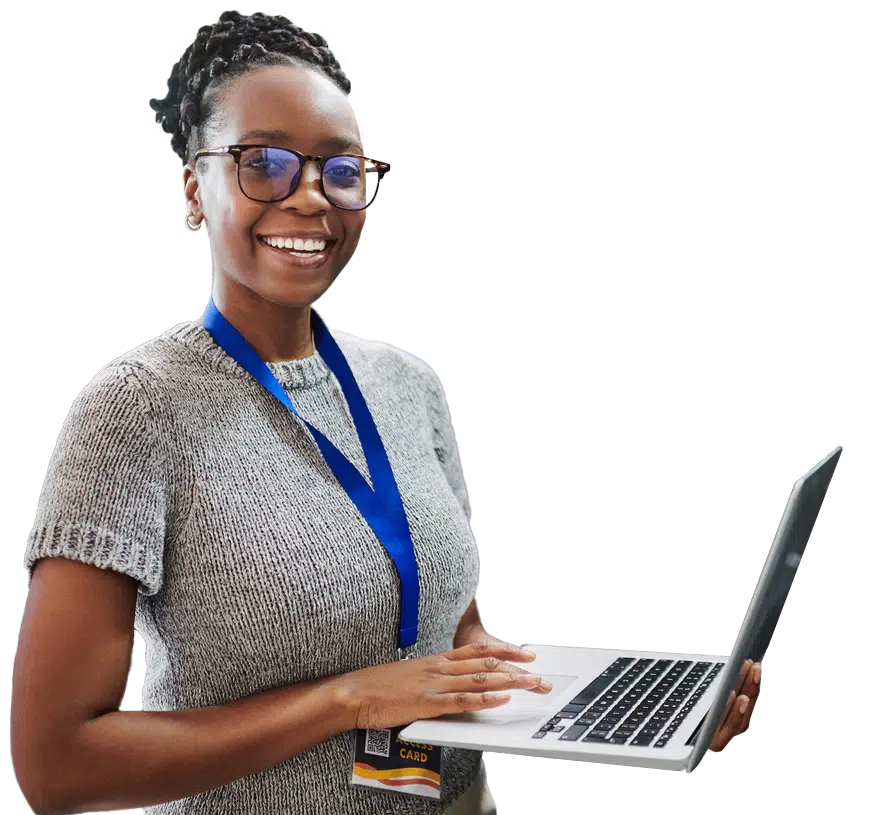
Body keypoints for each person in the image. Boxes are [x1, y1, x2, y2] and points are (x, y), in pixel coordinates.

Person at [10, 10, 759, 815]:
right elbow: (58, 765)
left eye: (341, 169)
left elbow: (449, 633)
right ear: (195, 186)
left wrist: (598, 704)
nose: (309, 198)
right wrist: (349, 700)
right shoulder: (135, 410)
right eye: (264, 163)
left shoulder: (408, 385)